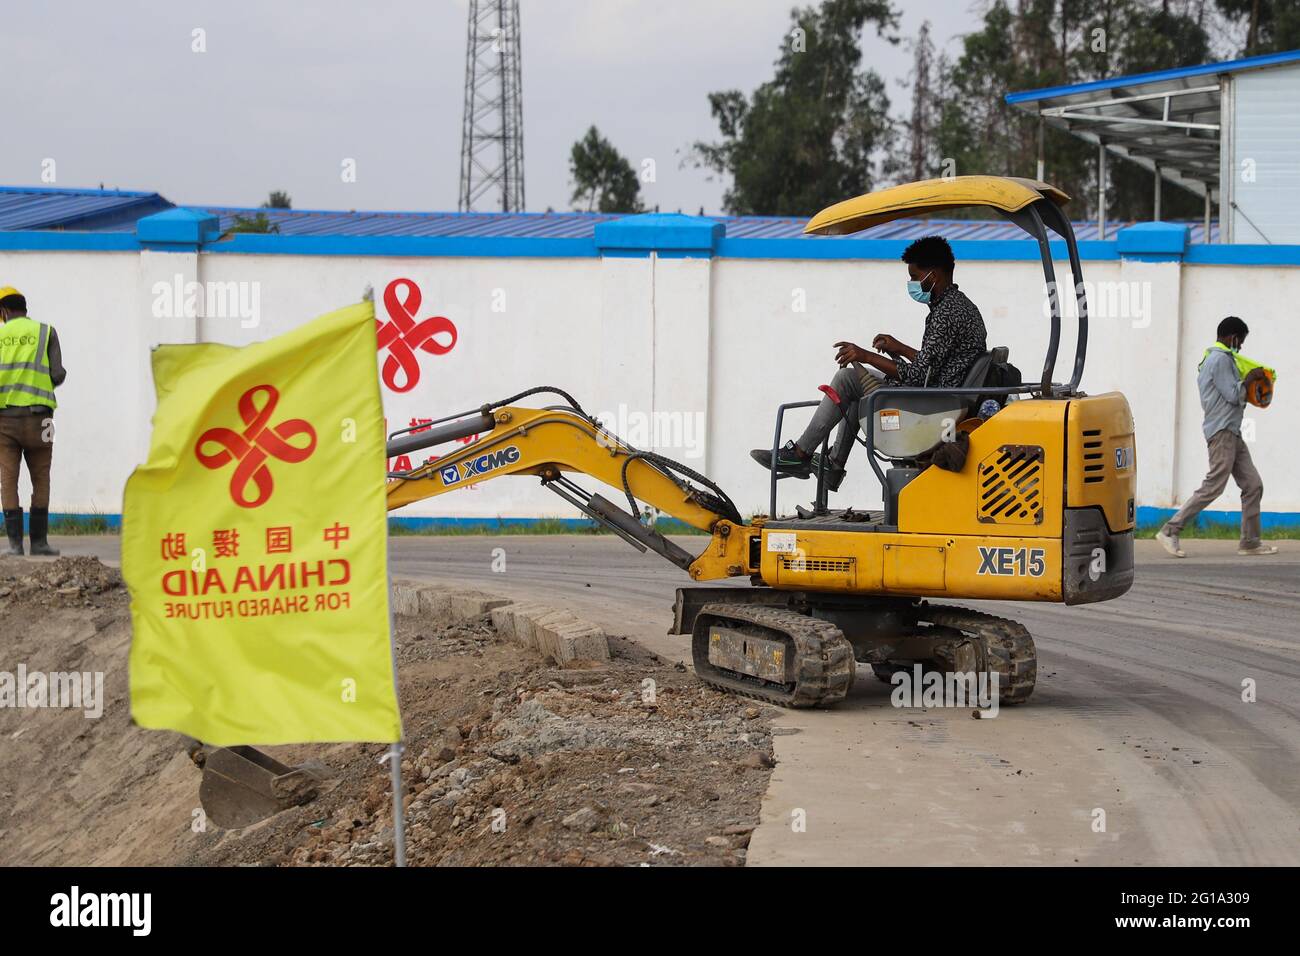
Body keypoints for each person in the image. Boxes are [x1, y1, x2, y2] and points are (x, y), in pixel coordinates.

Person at [751, 235, 987, 490]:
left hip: (932, 406)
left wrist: (865, 356)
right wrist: (901, 348)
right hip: (941, 398)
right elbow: (936, 365)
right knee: (855, 387)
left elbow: (919, 377)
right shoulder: (960, 307)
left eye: (915, 278)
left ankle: (800, 455)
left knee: (848, 379)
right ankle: (832, 465)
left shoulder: (946, 314)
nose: (911, 284)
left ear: (934, 276)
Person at [1156, 316, 1277, 558]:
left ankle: (1250, 542)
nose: (1240, 346)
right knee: (1214, 485)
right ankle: (1170, 530)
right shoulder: (1220, 359)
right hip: (1222, 432)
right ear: (1232, 337)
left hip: (1231, 432)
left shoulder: (1218, 358)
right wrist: (1250, 378)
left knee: (1253, 484)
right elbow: (1234, 394)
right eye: (1240, 342)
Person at [0, 287, 65, 556]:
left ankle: (15, 545)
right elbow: (58, 374)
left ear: (4, 311)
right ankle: (39, 543)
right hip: (42, 420)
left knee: (8, 479)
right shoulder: (46, 332)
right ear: (24, 308)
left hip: (5, 421)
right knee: (42, 477)